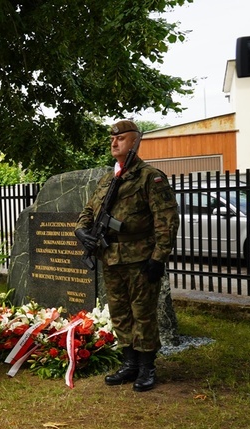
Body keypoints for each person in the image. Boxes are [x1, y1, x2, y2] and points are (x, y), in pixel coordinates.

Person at [75, 120, 179, 392]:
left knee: (143, 313)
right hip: (110, 255)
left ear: (134, 142)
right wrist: (81, 230)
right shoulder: (108, 179)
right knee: (120, 312)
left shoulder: (150, 177)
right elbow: (90, 209)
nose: (114, 142)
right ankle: (129, 363)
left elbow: (166, 221)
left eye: (120, 138)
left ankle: (147, 367)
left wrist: (158, 257)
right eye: (112, 138)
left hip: (140, 257)